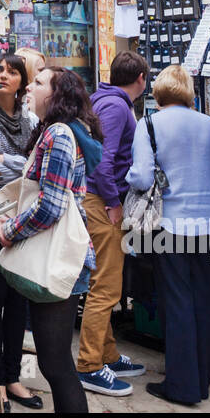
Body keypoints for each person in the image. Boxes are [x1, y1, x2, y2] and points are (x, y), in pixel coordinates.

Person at [0, 67, 101, 414]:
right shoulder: (53, 132)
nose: (30, 86)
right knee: (54, 364)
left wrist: (9, 231)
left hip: (58, 257)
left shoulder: (58, 134)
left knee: (56, 366)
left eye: (39, 82)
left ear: (56, 95)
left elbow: (51, 205)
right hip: (57, 255)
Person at [125, 64, 210, 406]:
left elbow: (139, 177)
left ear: (159, 91)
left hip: (170, 226)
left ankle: (181, 387)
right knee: (203, 303)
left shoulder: (148, 124)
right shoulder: (209, 124)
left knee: (177, 303)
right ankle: (202, 380)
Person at [77, 51, 148, 397]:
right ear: (141, 80)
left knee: (106, 283)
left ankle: (107, 354)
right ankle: (89, 365)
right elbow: (102, 161)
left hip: (98, 200)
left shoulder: (105, 99)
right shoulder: (117, 106)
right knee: (105, 287)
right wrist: (113, 202)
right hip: (102, 204)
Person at [0, 54, 40, 409]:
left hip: (23, 219)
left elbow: (34, 171)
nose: (3, 75)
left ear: (23, 81)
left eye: (12, 71)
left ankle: (14, 377)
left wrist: (5, 162)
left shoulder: (32, 121)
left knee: (18, 307)